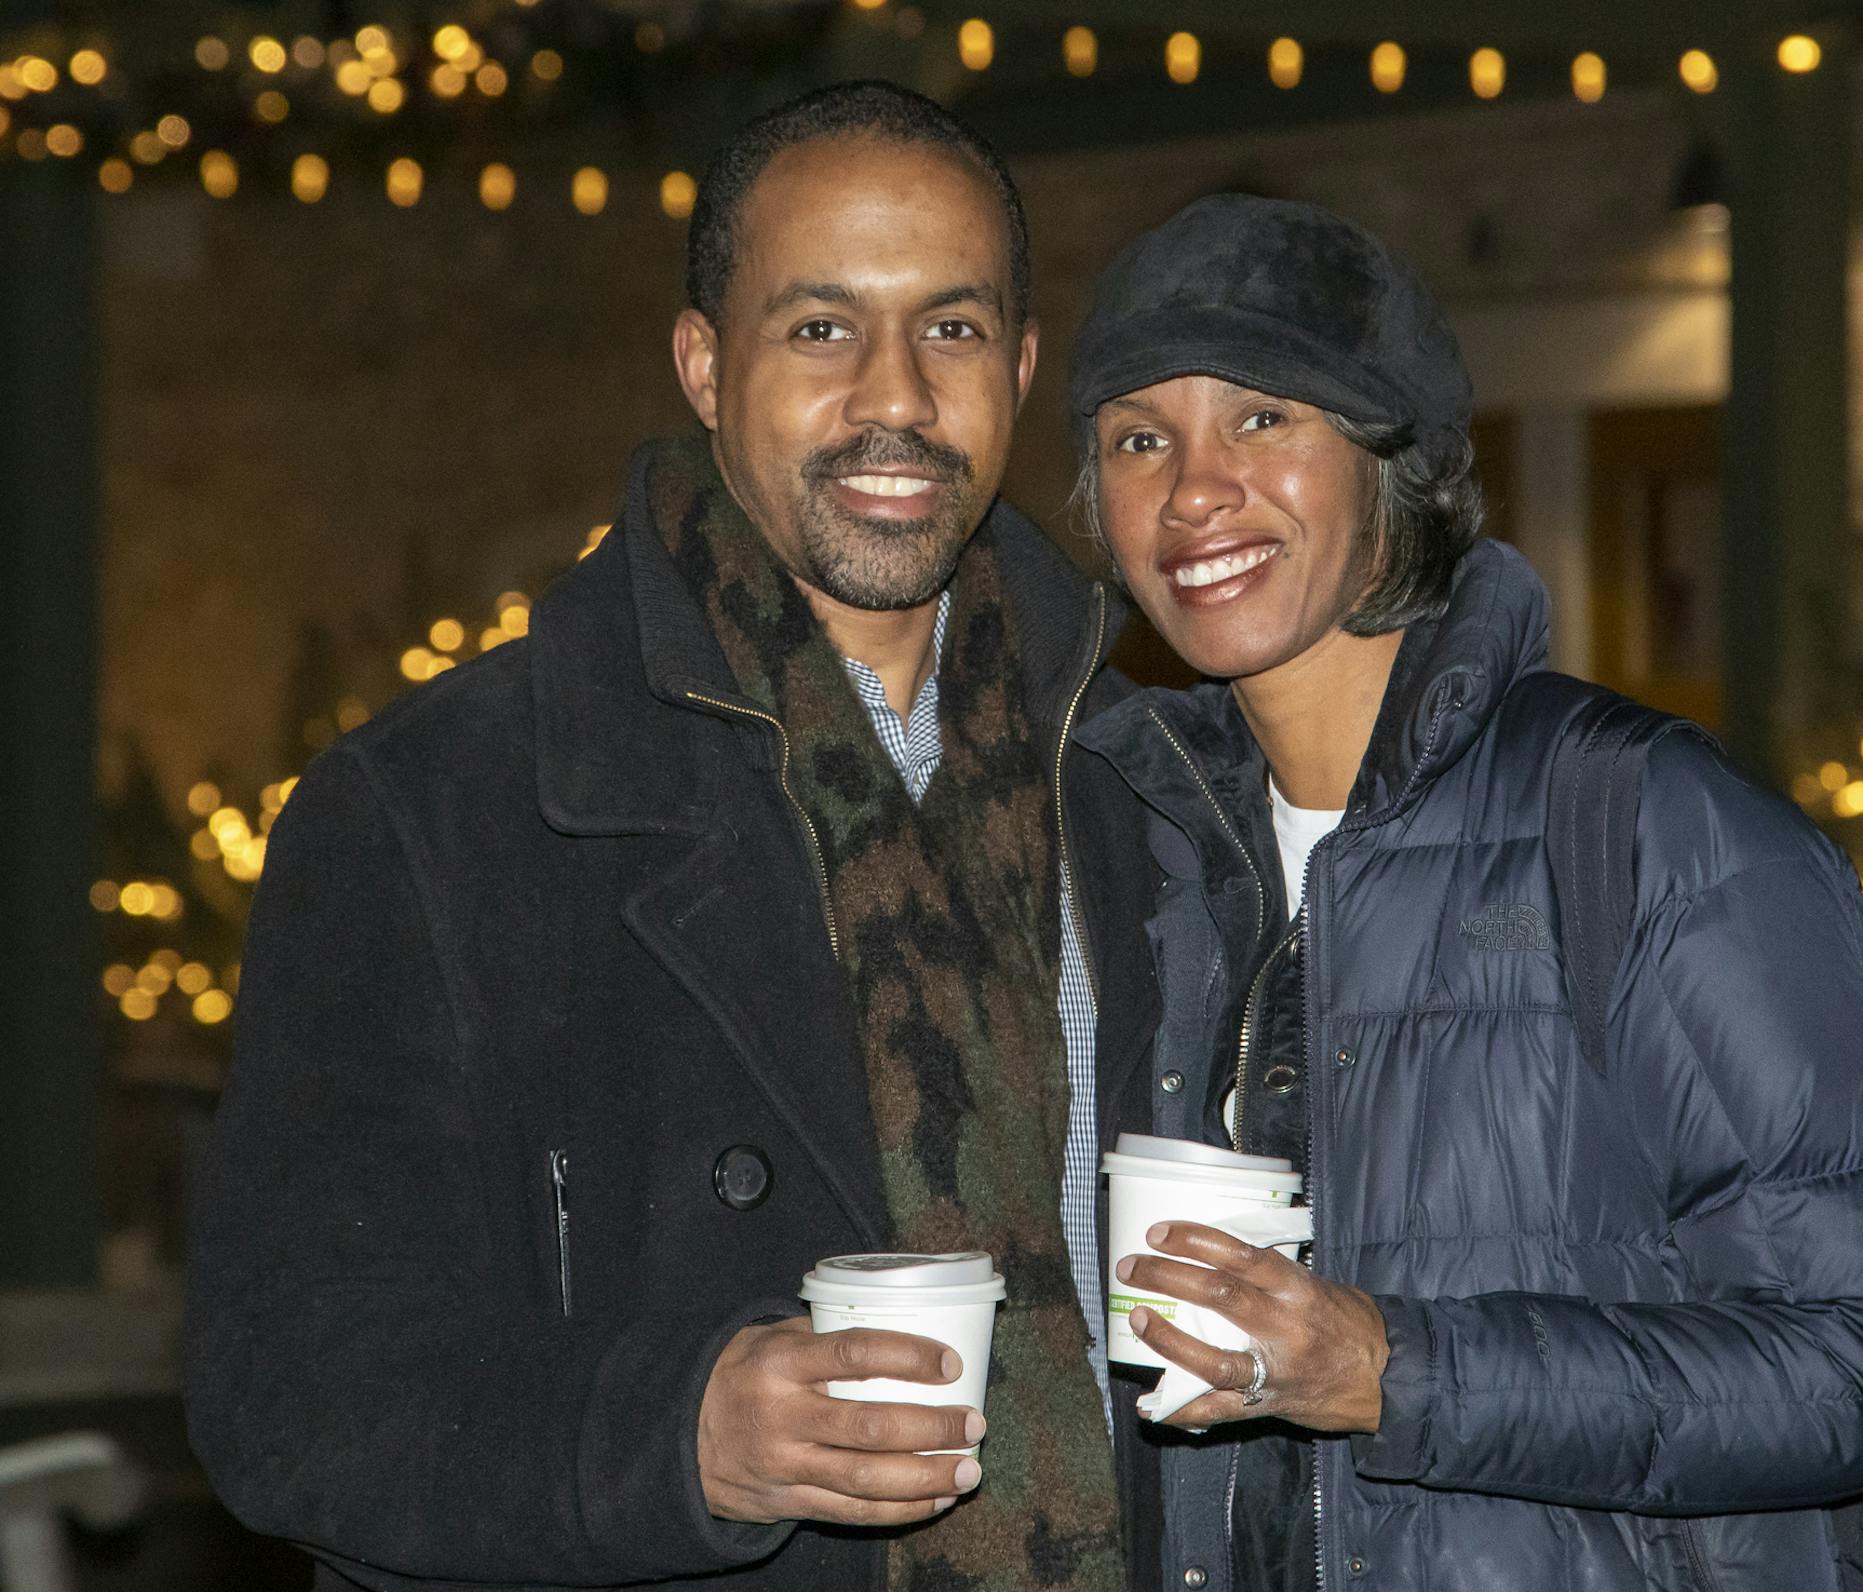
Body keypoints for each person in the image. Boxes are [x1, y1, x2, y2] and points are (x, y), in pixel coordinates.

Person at [185, 82, 1165, 1592]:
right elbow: (290, 1401)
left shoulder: (1127, 781)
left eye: (952, 330)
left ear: (1022, 367)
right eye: (821, 329)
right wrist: (677, 1436)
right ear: (707, 368)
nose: (894, 397)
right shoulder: (439, 810)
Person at [1064, 194, 1863, 1592]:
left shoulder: (1648, 823)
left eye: (1264, 419)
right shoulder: (1149, 861)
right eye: (1143, 438)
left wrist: (1397, 1369)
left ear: (1398, 464)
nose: (1195, 491)